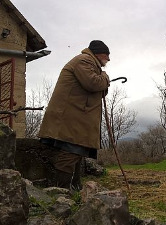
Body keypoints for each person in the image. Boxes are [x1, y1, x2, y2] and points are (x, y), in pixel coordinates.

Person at [38, 40, 111, 190]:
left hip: (74, 116)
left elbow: (95, 89)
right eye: (106, 55)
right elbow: (93, 83)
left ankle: (73, 189)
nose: (108, 59)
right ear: (98, 54)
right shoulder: (84, 60)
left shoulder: (88, 62)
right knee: (70, 152)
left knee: (75, 152)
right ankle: (60, 192)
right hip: (70, 117)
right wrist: (105, 77)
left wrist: (102, 81)